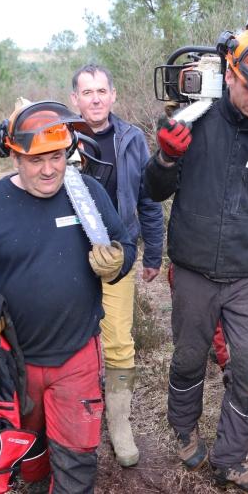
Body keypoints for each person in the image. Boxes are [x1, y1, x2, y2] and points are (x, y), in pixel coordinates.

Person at [0, 99, 136, 493]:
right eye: (36, 159)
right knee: (27, 453)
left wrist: (119, 261)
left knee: (77, 460)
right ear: (13, 155)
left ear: (69, 152)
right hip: (13, 362)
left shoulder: (86, 193)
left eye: (57, 156)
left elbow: (124, 244)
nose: (48, 169)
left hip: (76, 353)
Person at [144, 24, 248, 493]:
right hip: (192, 269)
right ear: (230, 73)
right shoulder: (193, 120)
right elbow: (152, 191)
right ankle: (183, 428)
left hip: (246, 276)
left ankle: (230, 458)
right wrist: (166, 158)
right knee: (190, 358)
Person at [70, 64, 164, 468]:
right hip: (68, 257)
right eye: (86, 91)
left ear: (113, 96)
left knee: (120, 343)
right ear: (75, 99)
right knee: (69, 341)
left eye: (101, 91)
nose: (94, 98)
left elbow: (147, 198)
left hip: (118, 255)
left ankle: (120, 422)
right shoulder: (62, 136)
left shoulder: (131, 140)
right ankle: (73, 422)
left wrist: (154, 252)